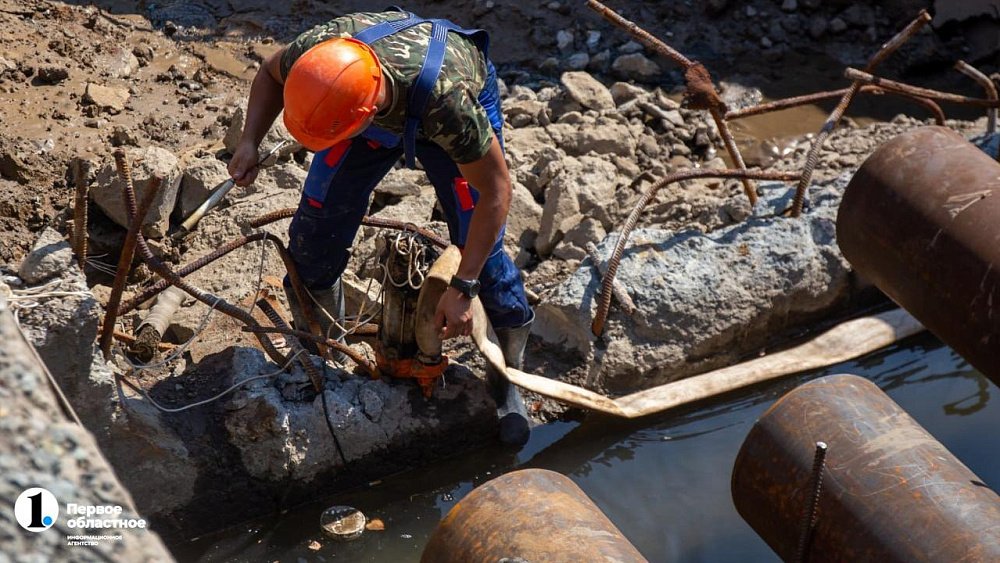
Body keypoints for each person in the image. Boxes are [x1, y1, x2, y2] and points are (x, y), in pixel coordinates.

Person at [228, 9, 534, 446]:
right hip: (364, 114)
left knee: (484, 256)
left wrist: (463, 286)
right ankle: (322, 358)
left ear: (365, 112)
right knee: (313, 234)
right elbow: (269, 74)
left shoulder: (450, 108)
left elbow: (496, 193)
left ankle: (508, 377)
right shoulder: (317, 54)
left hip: (433, 104)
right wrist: (249, 140)